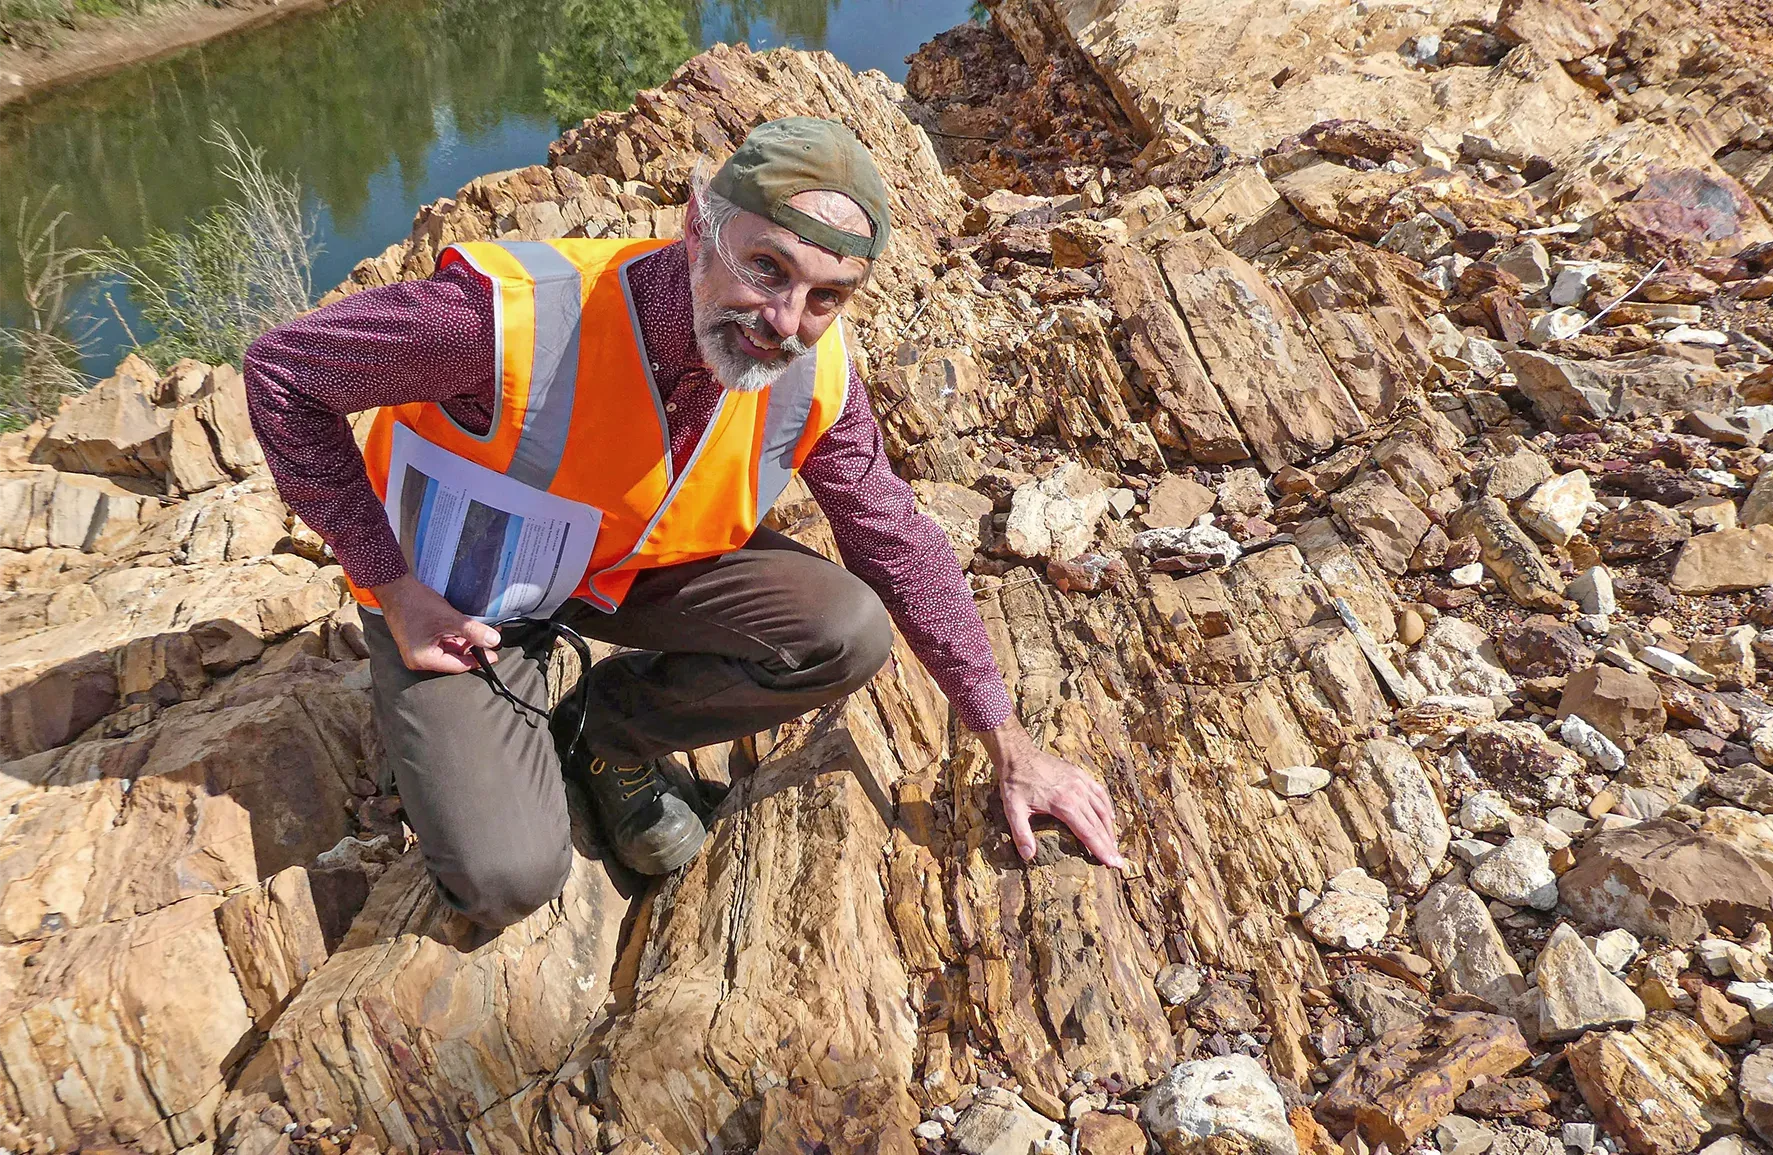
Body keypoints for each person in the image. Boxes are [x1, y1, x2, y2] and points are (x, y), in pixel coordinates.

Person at [245, 117, 1124, 930]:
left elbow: (894, 536)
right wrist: (394, 590)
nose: (785, 323)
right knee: (509, 874)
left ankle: (608, 735)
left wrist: (1008, 742)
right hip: (459, 600)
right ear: (699, 226)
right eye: (767, 268)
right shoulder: (504, 322)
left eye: (826, 297)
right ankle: (475, 727)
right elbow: (283, 374)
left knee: (846, 630)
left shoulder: (816, 373)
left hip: (620, 574)